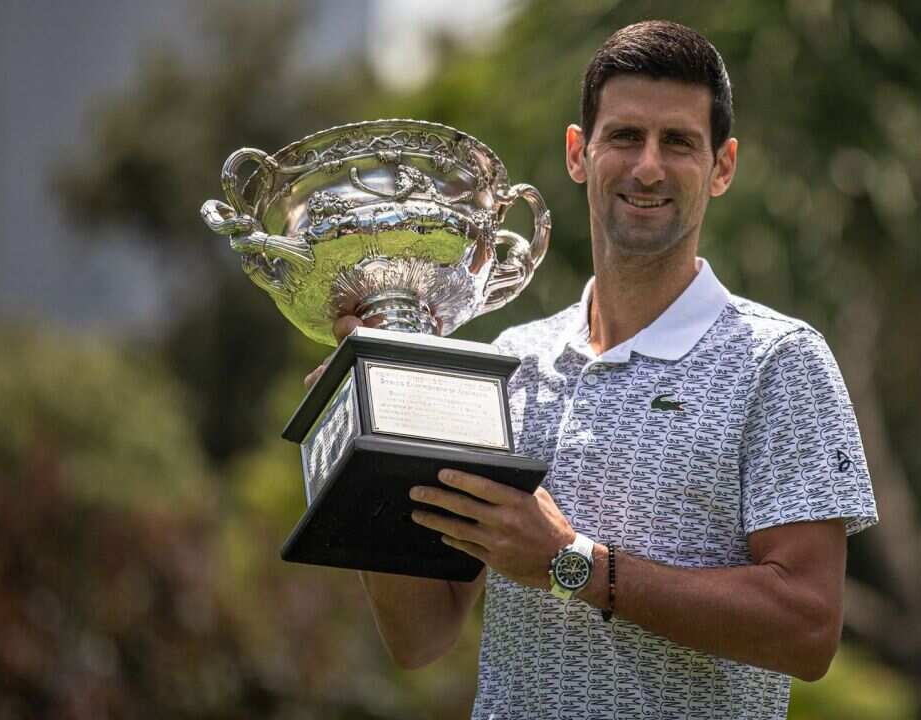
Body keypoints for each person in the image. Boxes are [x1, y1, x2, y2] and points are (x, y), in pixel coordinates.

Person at [307, 20, 877, 720]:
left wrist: (569, 563)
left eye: (678, 143)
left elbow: (808, 628)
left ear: (722, 167)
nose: (647, 168)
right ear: (579, 153)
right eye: (625, 137)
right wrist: (372, 410)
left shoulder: (780, 362)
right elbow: (421, 635)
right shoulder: (513, 362)